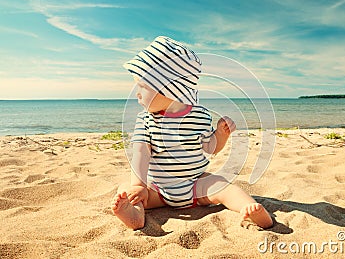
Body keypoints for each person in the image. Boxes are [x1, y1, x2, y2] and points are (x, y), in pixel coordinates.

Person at [111, 36, 273, 230]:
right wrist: (138, 185)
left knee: (222, 185)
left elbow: (210, 148)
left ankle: (249, 209)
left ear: (169, 89)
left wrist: (220, 136)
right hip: (158, 191)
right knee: (127, 190)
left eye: (143, 87)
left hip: (195, 186)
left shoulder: (201, 116)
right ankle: (135, 215)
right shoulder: (146, 120)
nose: (137, 93)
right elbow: (141, 153)